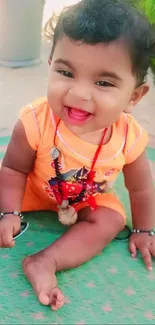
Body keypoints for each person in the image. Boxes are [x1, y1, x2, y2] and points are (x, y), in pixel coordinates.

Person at [0, 0, 155, 311]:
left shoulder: (129, 138)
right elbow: (14, 170)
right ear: (50, 65)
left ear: (134, 96)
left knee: (111, 219)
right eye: (66, 72)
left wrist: (143, 229)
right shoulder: (35, 121)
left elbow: (141, 189)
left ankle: (46, 261)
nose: (79, 93)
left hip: (88, 198)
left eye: (103, 82)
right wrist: (9, 212)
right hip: (32, 186)